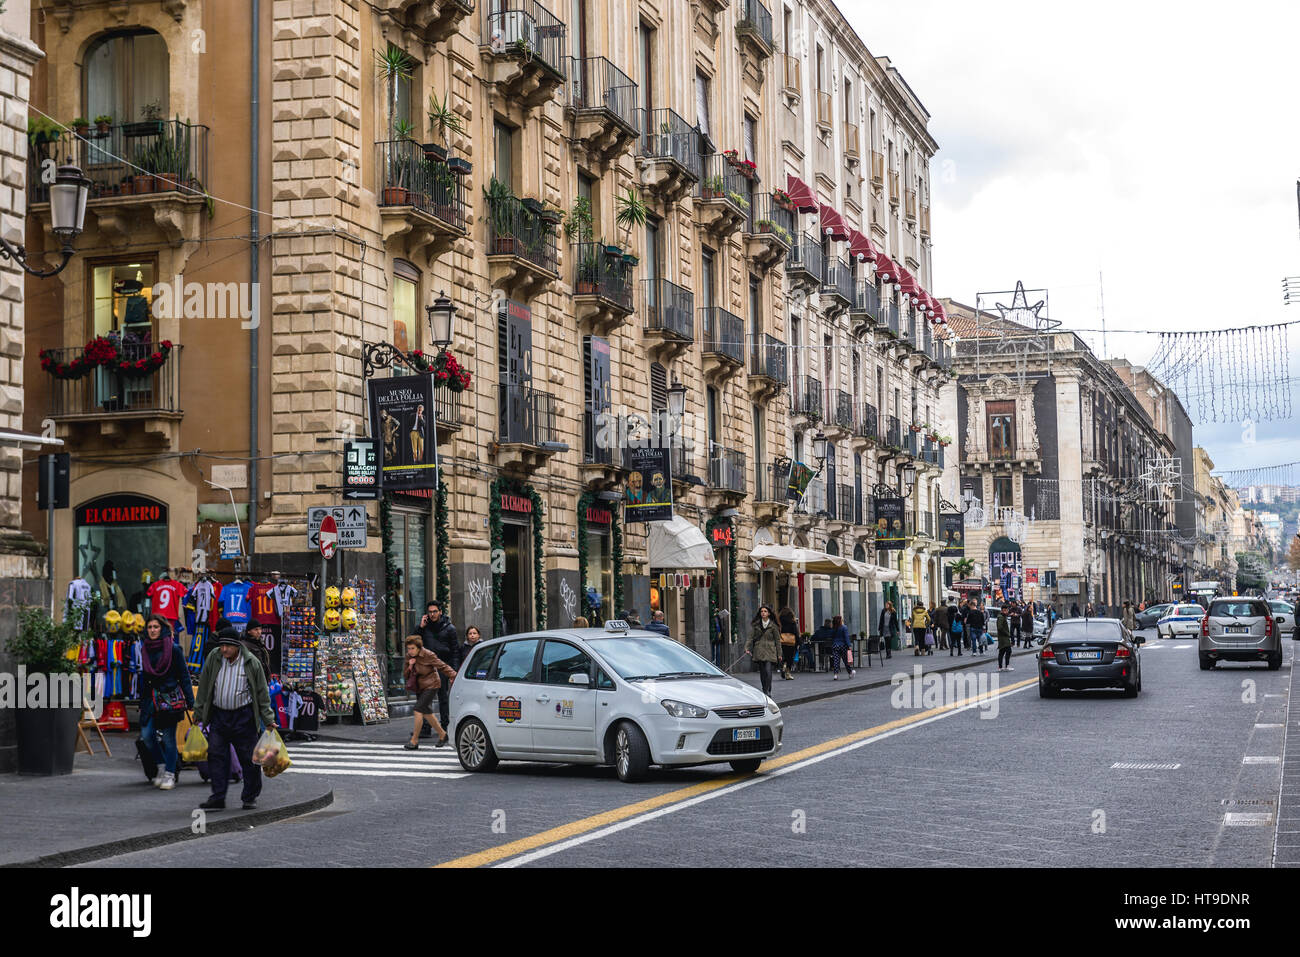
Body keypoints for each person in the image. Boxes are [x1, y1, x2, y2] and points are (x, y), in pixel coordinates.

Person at [194, 626, 276, 811]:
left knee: (249, 759)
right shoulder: (214, 659)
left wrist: (268, 718)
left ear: (237, 646)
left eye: (228, 646)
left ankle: (249, 796)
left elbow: (262, 693)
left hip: (243, 716)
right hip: (219, 716)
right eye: (222, 645)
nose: (224, 650)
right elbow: (205, 687)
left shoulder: (251, 662)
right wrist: (198, 713)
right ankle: (218, 796)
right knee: (216, 756)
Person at [138, 615, 194, 791]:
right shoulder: (145, 649)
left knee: (169, 739)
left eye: (155, 627)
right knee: (147, 736)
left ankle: (170, 774)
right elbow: (143, 677)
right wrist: (141, 700)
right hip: (150, 700)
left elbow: (184, 676)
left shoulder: (174, 649)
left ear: (162, 628)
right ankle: (161, 766)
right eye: (149, 627)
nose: (152, 630)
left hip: (168, 699)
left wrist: (191, 701)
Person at [403, 636, 457, 749]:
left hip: (432, 684)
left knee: (418, 710)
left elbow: (442, 666)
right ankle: (443, 735)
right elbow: (405, 675)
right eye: (408, 648)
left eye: (412, 648)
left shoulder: (428, 654)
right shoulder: (409, 657)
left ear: (419, 648)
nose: (410, 651)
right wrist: (410, 665)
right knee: (426, 712)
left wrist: (455, 676)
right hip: (419, 687)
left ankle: (414, 741)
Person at [419, 600, 459, 736]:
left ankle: (445, 727)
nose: (432, 614)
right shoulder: (425, 627)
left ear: (440, 612)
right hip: (426, 668)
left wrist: (454, 672)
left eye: (435, 611)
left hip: (442, 666)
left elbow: (455, 651)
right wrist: (420, 627)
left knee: (443, 698)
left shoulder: (450, 628)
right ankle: (425, 728)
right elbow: (413, 641)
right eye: (430, 612)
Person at [748, 605, 781, 695]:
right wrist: (746, 648)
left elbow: (777, 640)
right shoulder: (756, 625)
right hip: (759, 650)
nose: (763, 613)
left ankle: (768, 689)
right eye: (762, 611)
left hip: (770, 650)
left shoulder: (773, 626)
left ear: (769, 613)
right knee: (762, 672)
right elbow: (750, 637)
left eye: (765, 611)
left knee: (768, 670)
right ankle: (764, 689)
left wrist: (779, 654)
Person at [829, 614, 854, 680]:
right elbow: (846, 637)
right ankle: (850, 673)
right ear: (840, 621)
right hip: (843, 646)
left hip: (835, 646)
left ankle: (835, 674)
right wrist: (849, 645)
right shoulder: (844, 627)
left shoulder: (833, 629)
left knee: (836, 660)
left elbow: (831, 637)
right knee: (846, 661)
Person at [778, 606, 799, 679]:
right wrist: (798, 642)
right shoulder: (792, 622)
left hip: (781, 641)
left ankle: (783, 666)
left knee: (783, 656)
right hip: (791, 642)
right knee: (790, 658)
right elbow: (796, 633)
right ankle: (788, 673)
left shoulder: (779, 622)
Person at [996, 604, 1014, 672]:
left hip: (1002, 637)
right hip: (1004, 638)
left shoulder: (1002, 616)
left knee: (1002, 651)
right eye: (1006, 610)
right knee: (1008, 651)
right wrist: (1007, 633)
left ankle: (1000, 667)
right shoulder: (1001, 617)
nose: (1007, 612)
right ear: (1003, 610)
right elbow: (1000, 627)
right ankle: (1007, 666)